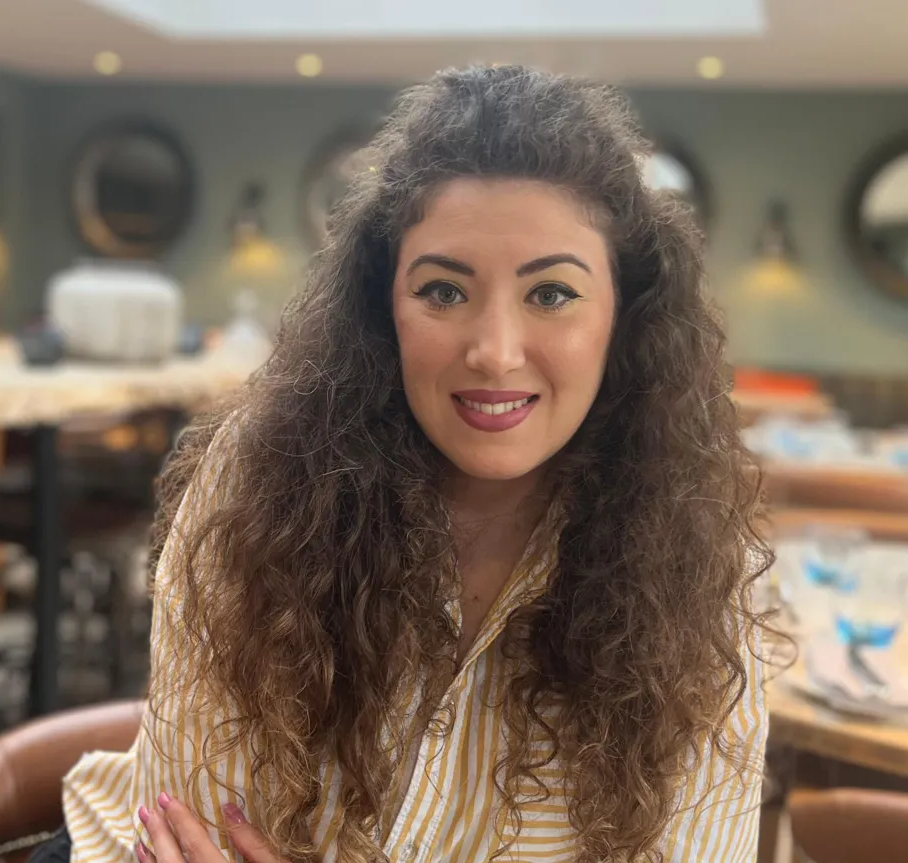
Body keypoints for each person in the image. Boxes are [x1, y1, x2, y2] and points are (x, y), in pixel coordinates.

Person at [50, 64, 772, 863]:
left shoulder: (704, 579)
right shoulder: (257, 481)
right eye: (443, 291)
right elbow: (196, 837)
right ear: (383, 306)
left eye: (552, 295)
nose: (494, 352)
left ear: (623, 318)